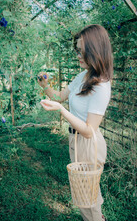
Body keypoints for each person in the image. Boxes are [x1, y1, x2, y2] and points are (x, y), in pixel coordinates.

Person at [38, 24, 113, 221]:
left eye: (82, 51)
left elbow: (89, 130)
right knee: (84, 193)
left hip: (89, 144)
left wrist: (62, 111)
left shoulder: (101, 86)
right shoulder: (83, 76)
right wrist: (46, 86)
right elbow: (60, 96)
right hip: (76, 141)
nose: (78, 55)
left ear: (95, 50)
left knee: (88, 198)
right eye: (77, 51)